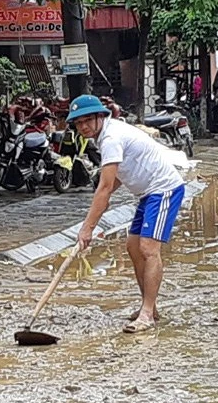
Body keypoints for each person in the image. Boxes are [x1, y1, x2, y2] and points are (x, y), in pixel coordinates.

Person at [69, 95, 186, 334]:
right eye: (78, 122)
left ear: (100, 116)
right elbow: (115, 181)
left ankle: (147, 313)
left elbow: (103, 187)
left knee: (148, 249)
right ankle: (149, 307)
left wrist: (88, 227)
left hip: (164, 189)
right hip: (147, 193)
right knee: (133, 247)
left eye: (87, 120)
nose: (83, 126)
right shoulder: (105, 137)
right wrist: (97, 212)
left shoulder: (111, 138)